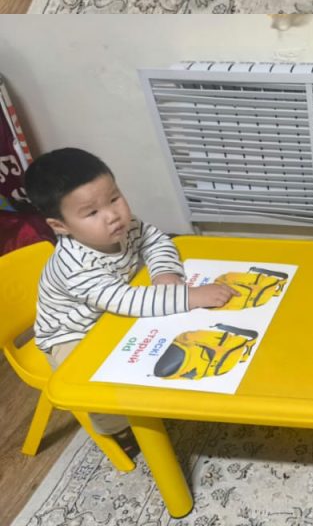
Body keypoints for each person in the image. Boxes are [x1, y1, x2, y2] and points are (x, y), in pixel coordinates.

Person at [24, 147, 236, 458]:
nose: (112, 215)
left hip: (109, 311)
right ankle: (118, 428)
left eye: (114, 198)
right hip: (70, 333)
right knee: (95, 383)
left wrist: (164, 271)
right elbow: (125, 300)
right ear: (60, 226)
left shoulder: (124, 225)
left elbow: (157, 240)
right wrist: (189, 296)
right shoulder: (74, 265)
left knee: (166, 334)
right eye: (92, 213)